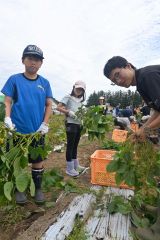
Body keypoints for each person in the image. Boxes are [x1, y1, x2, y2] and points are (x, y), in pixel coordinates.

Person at [103, 56, 160, 239]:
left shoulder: (147, 76)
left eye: (118, 75)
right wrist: (142, 129)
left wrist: (144, 131)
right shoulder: (141, 83)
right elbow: (158, 111)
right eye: (114, 81)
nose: (118, 82)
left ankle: (156, 232)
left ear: (128, 66)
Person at [1, 45, 53, 204]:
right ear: (23, 60)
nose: (33, 62)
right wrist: (8, 119)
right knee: (17, 161)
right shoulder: (14, 79)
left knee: (37, 159)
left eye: (37, 60)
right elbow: (7, 101)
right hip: (17, 131)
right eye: (30, 58)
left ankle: (37, 188)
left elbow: (49, 104)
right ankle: (19, 189)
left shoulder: (44, 83)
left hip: (36, 131)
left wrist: (45, 124)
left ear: (41, 63)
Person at [57, 81, 86, 177]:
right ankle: (69, 169)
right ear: (74, 87)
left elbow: (81, 112)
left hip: (78, 124)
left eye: (81, 89)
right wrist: (68, 112)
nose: (79, 91)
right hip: (71, 124)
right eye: (77, 88)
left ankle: (76, 165)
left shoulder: (81, 101)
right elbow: (58, 107)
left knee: (75, 146)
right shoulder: (68, 97)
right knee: (70, 146)